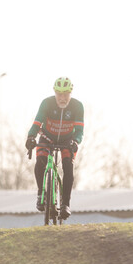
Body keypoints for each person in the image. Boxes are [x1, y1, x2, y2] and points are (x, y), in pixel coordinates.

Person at [25, 77, 84, 219]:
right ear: (55, 93)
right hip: (46, 137)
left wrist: (75, 141)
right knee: (40, 161)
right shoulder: (47, 103)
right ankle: (41, 193)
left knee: (68, 167)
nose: (62, 98)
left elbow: (79, 131)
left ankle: (66, 204)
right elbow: (37, 122)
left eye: (65, 94)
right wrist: (31, 137)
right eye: (59, 94)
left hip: (67, 140)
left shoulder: (77, 106)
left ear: (71, 93)